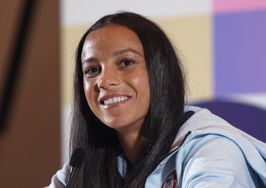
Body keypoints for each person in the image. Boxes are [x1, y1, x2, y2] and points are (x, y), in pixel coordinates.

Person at [48, 12, 266, 188]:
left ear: (160, 71)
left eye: (125, 62)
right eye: (92, 69)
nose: (104, 81)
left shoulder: (214, 151)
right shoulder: (82, 165)